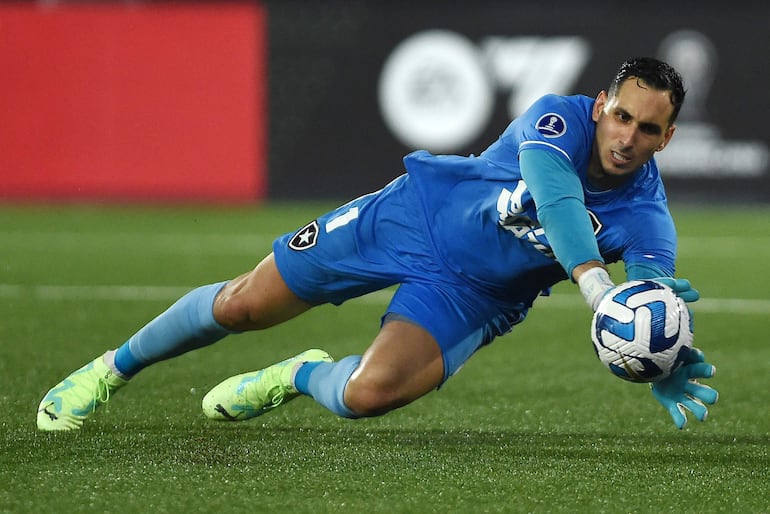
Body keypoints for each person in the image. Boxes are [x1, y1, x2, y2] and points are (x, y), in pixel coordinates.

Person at [37, 57, 718, 432]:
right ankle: (109, 370)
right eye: (622, 116)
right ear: (601, 105)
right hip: (411, 215)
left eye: (648, 129)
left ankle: (295, 375)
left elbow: (651, 292)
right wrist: (599, 287)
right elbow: (557, 199)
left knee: (368, 396)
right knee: (244, 304)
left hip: (473, 295)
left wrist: (664, 350)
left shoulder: (650, 217)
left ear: (668, 139)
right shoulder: (557, 117)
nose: (628, 137)